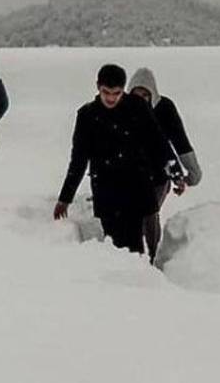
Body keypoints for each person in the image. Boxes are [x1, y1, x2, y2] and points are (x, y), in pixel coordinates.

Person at [53, 64, 185, 255]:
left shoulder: (138, 107)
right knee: (115, 246)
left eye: (116, 93)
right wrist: (65, 198)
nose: (111, 98)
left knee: (136, 247)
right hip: (107, 192)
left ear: (123, 89)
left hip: (138, 187)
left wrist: (176, 174)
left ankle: (144, 276)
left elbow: (158, 143)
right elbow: (79, 160)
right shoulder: (87, 115)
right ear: (98, 87)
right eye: (106, 92)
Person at [127, 67, 202, 262]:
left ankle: (150, 258)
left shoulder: (164, 108)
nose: (141, 98)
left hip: (158, 175)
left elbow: (179, 141)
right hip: (129, 174)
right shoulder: (121, 110)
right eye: (137, 94)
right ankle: (129, 259)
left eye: (146, 94)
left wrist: (191, 172)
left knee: (148, 214)